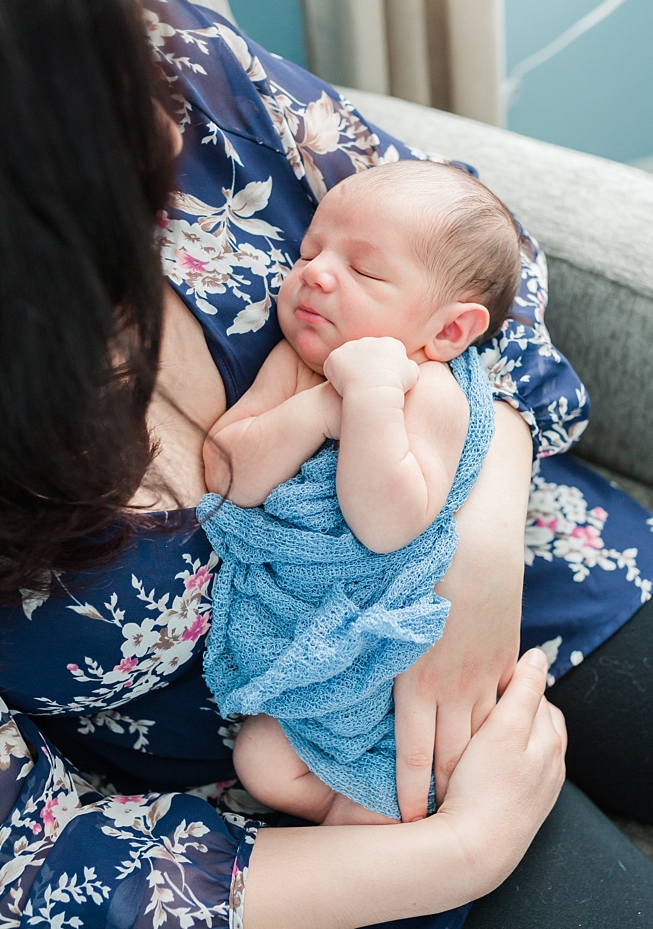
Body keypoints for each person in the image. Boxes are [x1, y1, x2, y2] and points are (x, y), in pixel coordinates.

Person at [0, 0, 651, 927]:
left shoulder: (166, 48)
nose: (176, 120)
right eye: (124, 97)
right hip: (292, 757)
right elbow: (37, 866)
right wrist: (456, 851)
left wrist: (476, 541)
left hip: (523, 558)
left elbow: (475, 245)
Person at [200, 160, 520, 824]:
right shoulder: (295, 365)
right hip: (308, 632)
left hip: (383, 643)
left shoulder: (431, 390)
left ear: (448, 332)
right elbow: (227, 472)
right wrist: (319, 410)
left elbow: (386, 526)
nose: (314, 273)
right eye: (310, 251)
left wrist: (371, 397)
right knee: (259, 761)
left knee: (425, 755)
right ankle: (353, 817)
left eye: (364, 270)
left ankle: (388, 814)